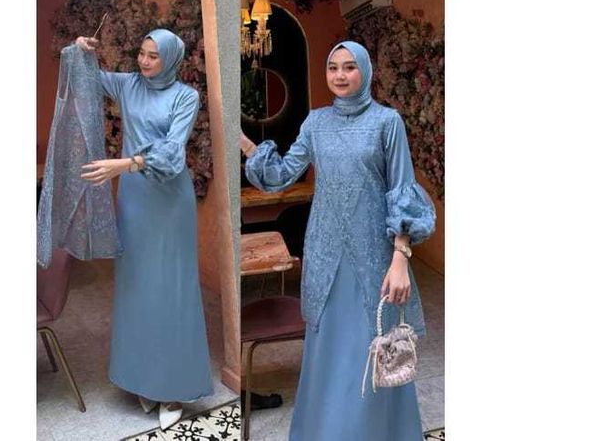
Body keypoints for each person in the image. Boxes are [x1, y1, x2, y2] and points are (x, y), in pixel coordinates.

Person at [240, 41, 435, 440]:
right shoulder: (316, 123)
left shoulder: (387, 122)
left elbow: (400, 191)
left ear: (365, 70)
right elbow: (281, 175)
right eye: (333, 67)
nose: (340, 75)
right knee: (329, 346)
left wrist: (400, 258)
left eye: (349, 67)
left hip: (374, 256)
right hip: (325, 253)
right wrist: (244, 143)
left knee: (374, 343)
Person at [76, 28, 212, 430]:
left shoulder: (185, 97)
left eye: (154, 56)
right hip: (134, 201)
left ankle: (172, 388)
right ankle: (143, 378)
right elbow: (85, 79)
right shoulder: (128, 85)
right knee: (138, 288)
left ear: (170, 59)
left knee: (170, 290)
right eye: (142, 53)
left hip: (169, 202)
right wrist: (81, 51)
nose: (144, 61)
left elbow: (171, 152)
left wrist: (124, 164)